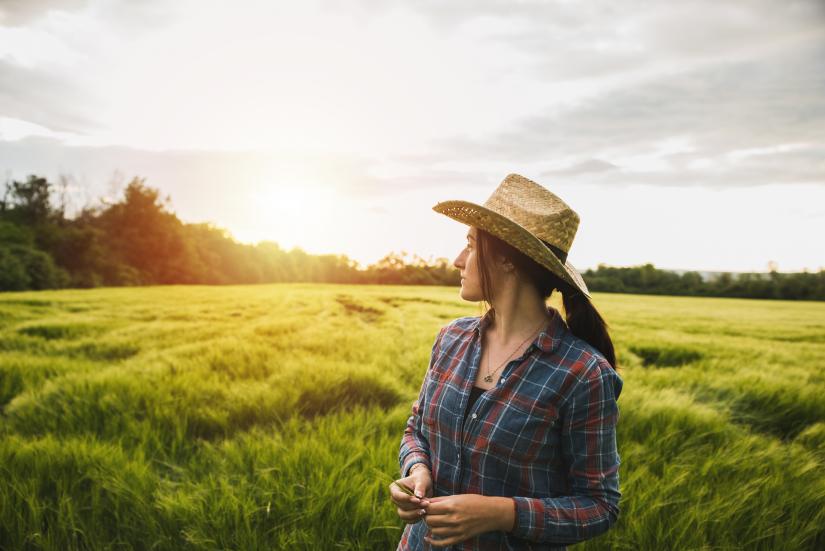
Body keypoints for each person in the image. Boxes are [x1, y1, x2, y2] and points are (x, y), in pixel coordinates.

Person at [389, 173, 623, 550]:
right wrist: (416, 472)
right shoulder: (451, 339)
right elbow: (416, 429)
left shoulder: (583, 374)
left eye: (469, 245)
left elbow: (600, 506)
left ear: (508, 260)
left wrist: (502, 513)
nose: (457, 260)